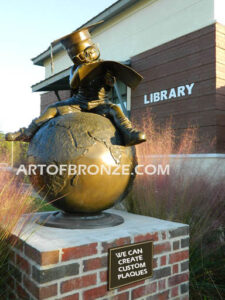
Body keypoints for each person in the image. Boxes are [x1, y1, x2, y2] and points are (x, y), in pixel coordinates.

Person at [6, 22, 146, 146]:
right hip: (78, 103)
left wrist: (109, 79)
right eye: (81, 56)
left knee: (115, 109)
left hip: (99, 104)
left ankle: (129, 133)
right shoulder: (76, 69)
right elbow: (73, 84)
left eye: (89, 52)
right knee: (52, 109)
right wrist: (81, 68)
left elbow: (110, 85)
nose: (88, 56)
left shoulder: (105, 67)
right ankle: (27, 133)